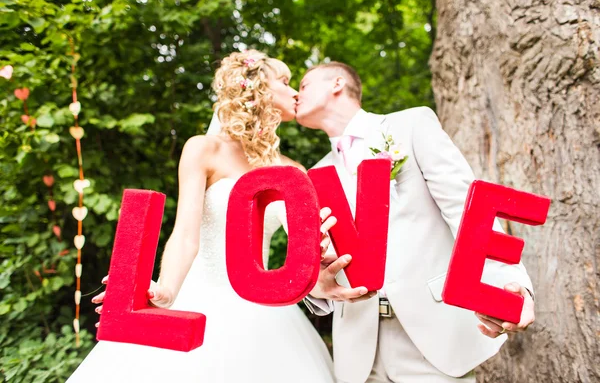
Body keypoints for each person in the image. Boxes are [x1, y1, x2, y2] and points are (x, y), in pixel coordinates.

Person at [67, 50, 336, 383]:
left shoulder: (294, 171)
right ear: (256, 87)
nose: (295, 92)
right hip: (199, 296)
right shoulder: (204, 149)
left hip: (267, 313)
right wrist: (164, 290)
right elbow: (184, 234)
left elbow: (309, 251)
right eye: (284, 81)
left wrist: (325, 272)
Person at [298, 61, 536, 383]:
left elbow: (467, 211)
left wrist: (512, 285)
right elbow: (320, 261)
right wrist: (318, 289)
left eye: (303, 86)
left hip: (434, 339)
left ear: (337, 83)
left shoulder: (411, 125)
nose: (296, 97)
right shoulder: (313, 174)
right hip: (357, 351)